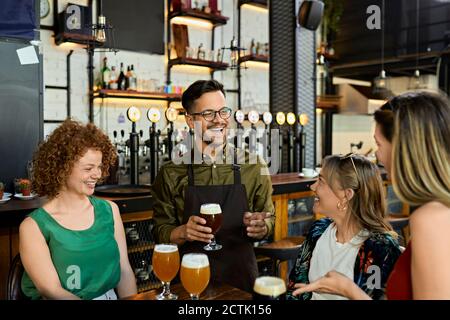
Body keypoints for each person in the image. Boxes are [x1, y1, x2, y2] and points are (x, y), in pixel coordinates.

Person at [292, 91, 450, 300]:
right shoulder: (436, 213)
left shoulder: (431, 218)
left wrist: (349, 291)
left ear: (404, 149)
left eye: (379, 144)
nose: (377, 155)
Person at [151, 79, 275, 292]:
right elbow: (161, 231)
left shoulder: (253, 166)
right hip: (190, 280)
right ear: (190, 121)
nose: (219, 120)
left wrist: (262, 227)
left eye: (223, 112)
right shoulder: (171, 173)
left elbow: (270, 219)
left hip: (241, 280)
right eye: (208, 114)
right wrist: (183, 231)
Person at [20, 119, 137, 300]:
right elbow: (51, 290)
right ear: (62, 169)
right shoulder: (33, 226)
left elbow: (124, 270)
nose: (97, 174)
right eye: (89, 168)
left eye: (99, 167)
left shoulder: (110, 210)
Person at [287, 153, 401, 300]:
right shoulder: (319, 230)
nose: (313, 186)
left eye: (321, 181)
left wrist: (348, 290)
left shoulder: (380, 247)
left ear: (346, 195)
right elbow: (294, 290)